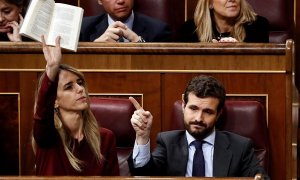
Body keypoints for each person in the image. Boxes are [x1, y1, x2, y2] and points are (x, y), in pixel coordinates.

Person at [127, 75, 269, 179]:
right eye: (193, 108)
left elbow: (259, 175)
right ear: (183, 106)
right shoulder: (168, 142)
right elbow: (142, 174)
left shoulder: (240, 146)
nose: (198, 118)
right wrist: (142, 136)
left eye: (207, 111)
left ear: (218, 114)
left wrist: (258, 177)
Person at [32, 36, 120, 175]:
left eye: (80, 82)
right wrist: (52, 70)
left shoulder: (105, 137)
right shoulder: (47, 136)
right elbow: (42, 113)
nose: (80, 89)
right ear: (54, 100)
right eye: (68, 87)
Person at [177, 0, 269, 43]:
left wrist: (239, 50)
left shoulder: (258, 25)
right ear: (210, 3)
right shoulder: (190, 30)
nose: (232, 0)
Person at [79, 0, 171, 42]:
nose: (120, 1)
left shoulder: (159, 30)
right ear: (99, 1)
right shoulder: (82, 28)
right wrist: (95, 49)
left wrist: (139, 43)